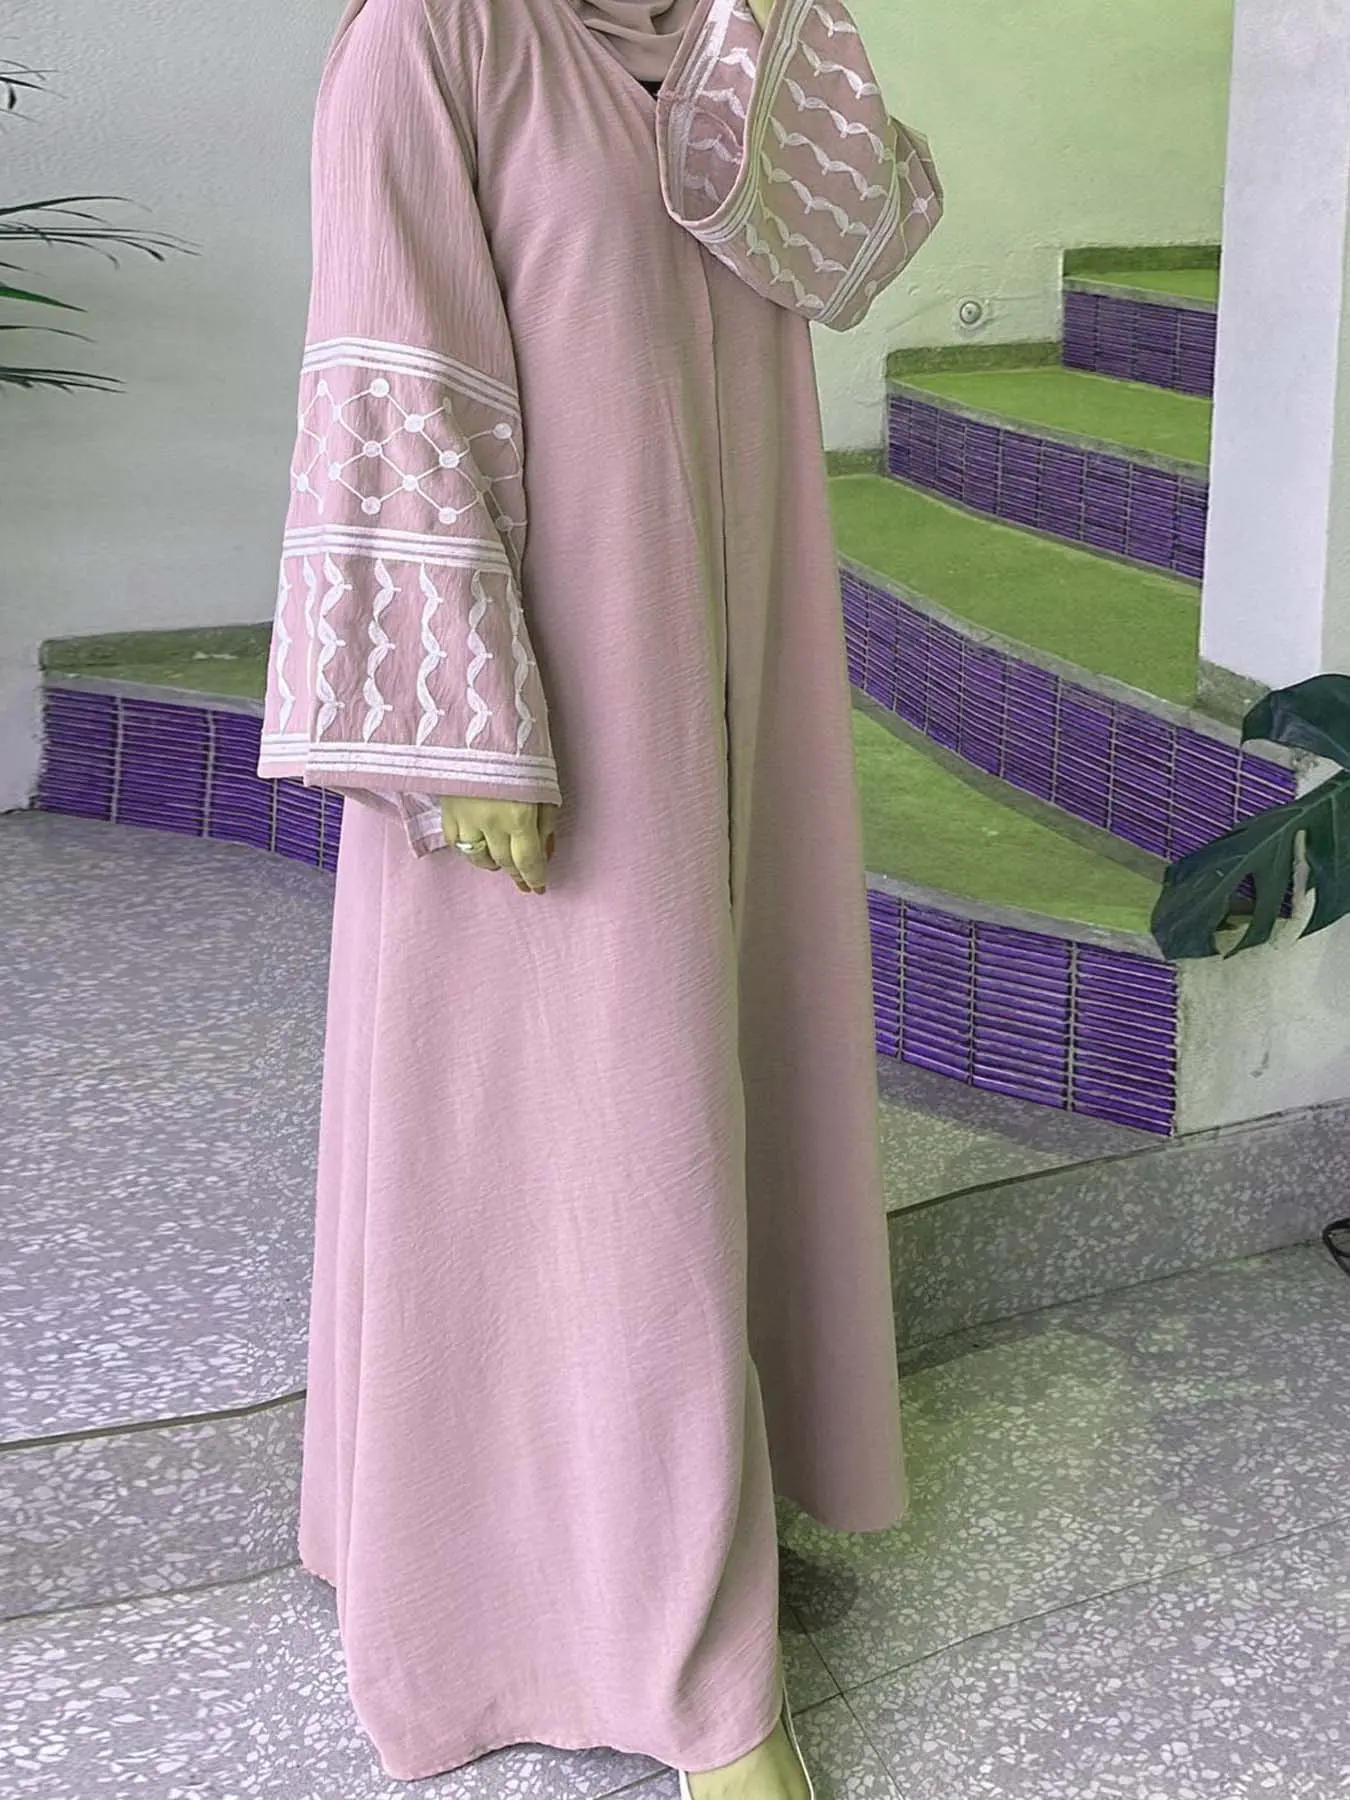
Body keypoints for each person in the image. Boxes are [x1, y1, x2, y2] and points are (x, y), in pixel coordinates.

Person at [255, 0, 943, 1793]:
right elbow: (385, 366)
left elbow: (854, 234)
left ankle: (629, 1513)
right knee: (612, 1133)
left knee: (702, 1090)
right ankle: (699, 1680)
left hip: (738, 651)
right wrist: (471, 731)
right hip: (552, 694)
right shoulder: (433, 41)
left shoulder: (731, 36)